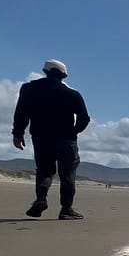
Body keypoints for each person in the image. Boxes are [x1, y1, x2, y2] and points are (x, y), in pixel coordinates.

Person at [12, 59, 91, 220]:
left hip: (41, 138)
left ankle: (41, 199)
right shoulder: (72, 94)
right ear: (63, 75)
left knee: (44, 171)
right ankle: (66, 210)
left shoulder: (29, 89)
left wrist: (17, 133)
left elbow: (21, 113)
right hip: (66, 140)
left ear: (45, 71)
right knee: (67, 174)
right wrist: (75, 131)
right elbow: (84, 118)